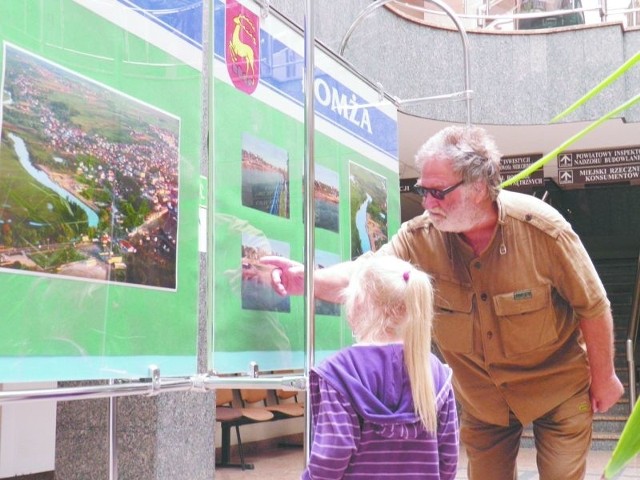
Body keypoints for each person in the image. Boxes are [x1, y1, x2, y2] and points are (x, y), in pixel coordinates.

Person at [263, 125, 624, 480]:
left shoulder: (544, 231)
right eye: (423, 190)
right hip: (485, 401)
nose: (427, 203)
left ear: (479, 187)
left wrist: (604, 377)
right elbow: (368, 273)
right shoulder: (419, 237)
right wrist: (306, 280)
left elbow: (592, 306)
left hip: (557, 389)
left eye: (438, 192)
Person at [301, 255, 458, 480]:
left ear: (358, 302)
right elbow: (448, 459)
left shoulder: (339, 373)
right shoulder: (437, 374)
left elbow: (331, 458)